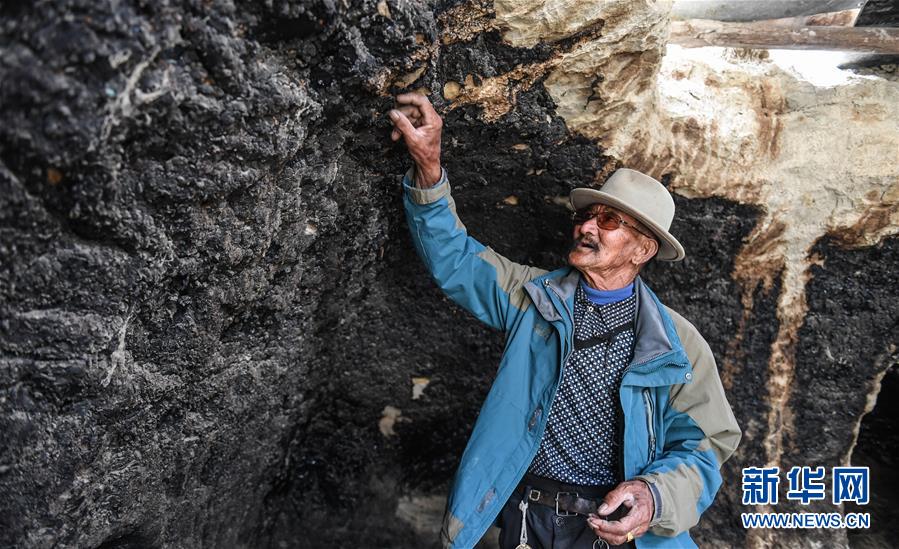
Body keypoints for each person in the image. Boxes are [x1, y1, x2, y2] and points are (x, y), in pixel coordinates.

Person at [388, 93, 741, 549]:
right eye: (586, 216)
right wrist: (429, 168)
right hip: (527, 522)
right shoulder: (533, 297)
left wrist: (653, 496)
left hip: (611, 531)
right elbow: (455, 259)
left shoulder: (678, 344)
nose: (586, 227)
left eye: (609, 220)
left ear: (642, 249)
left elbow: (705, 444)